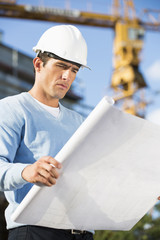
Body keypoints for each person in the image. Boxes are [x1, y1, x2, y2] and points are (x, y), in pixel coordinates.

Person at [0, 24, 94, 240]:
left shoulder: (81, 122)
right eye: (61, 66)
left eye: (74, 70)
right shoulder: (12, 109)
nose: (67, 76)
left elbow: (97, 177)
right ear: (38, 64)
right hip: (34, 231)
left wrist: (141, 190)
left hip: (82, 233)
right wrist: (26, 172)